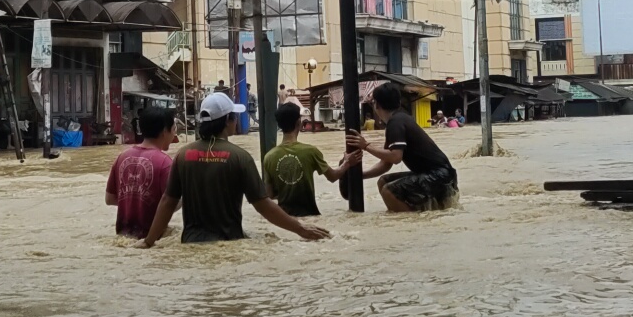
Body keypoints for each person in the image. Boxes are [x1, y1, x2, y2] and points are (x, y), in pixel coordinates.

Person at [140, 92, 330, 246]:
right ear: (227, 121)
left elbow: (167, 202)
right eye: (234, 117)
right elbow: (263, 205)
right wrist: (300, 228)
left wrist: (148, 242)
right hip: (230, 245)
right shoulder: (240, 157)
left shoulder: (183, 155)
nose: (236, 121)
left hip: (191, 244)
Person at [347, 81, 460, 212]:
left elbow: (395, 157)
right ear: (398, 103)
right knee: (383, 181)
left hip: (439, 176)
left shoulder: (396, 123)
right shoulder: (399, 120)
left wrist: (366, 146)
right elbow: (385, 163)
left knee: (389, 190)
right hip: (441, 175)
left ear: (376, 104)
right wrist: (360, 176)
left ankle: (409, 222)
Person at [261, 102, 344, 217]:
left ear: (279, 126)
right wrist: (348, 163)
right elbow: (332, 177)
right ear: (299, 122)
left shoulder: (269, 157)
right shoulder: (310, 151)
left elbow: (269, 195)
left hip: (285, 221)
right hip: (310, 217)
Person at [107, 108, 177, 239]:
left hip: (123, 236)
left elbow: (110, 199)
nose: (174, 135)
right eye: (173, 130)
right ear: (164, 132)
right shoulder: (165, 162)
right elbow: (170, 203)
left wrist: (134, 200)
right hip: (152, 240)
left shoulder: (122, 157)